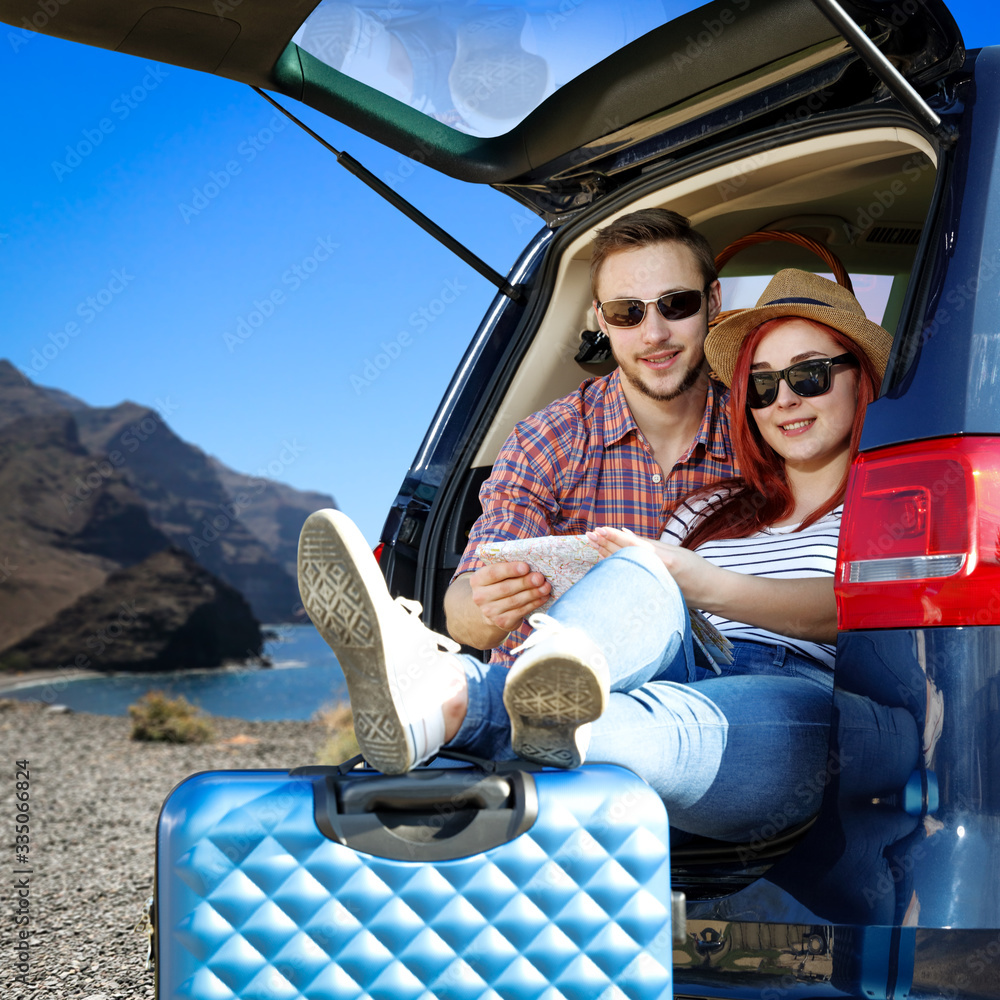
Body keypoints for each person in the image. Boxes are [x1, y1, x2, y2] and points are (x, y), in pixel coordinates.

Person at [297, 269, 895, 842]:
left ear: (860, 377)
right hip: (686, 663)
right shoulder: (709, 510)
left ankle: (458, 696)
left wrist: (700, 581)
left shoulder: (898, 504)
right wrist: (642, 573)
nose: (784, 400)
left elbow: (856, 609)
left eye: (809, 375)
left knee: (672, 716)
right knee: (637, 569)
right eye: (762, 385)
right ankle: (541, 679)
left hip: (803, 693)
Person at [444, 207, 738, 669]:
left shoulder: (761, 431)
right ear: (602, 319)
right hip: (543, 694)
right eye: (627, 312)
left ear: (714, 301)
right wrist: (489, 603)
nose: (654, 334)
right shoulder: (545, 440)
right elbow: (463, 616)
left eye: (676, 304)